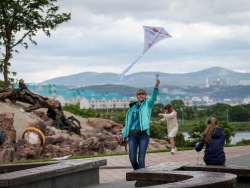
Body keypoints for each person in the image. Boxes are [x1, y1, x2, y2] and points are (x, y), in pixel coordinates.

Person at [117, 79, 160, 170]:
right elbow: (128, 124)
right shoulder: (132, 108)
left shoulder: (148, 104)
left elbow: (154, 97)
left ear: (145, 96)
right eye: (139, 94)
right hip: (132, 135)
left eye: (142, 94)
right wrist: (122, 133)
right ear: (136, 96)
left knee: (141, 159)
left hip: (143, 135)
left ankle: (141, 178)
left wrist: (156, 87)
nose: (141, 95)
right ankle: (138, 174)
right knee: (132, 159)